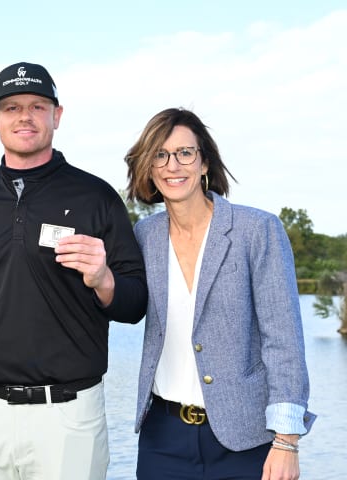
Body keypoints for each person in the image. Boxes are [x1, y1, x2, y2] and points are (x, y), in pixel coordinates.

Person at [0, 61, 148, 479]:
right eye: (11, 107)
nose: (24, 116)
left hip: (69, 416)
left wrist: (103, 279)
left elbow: (134, 304)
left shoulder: (96, 197)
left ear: (57, 116)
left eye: (37, 106)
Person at [124, 107, 316, 480]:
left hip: (245, 440)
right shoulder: (144, 236)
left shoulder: (256, 230)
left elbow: (284, 342)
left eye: (184, 153)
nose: (172, 165)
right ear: (148, 168)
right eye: (159, 155)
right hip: (162, 439)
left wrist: (287, 441)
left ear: (204, 162)